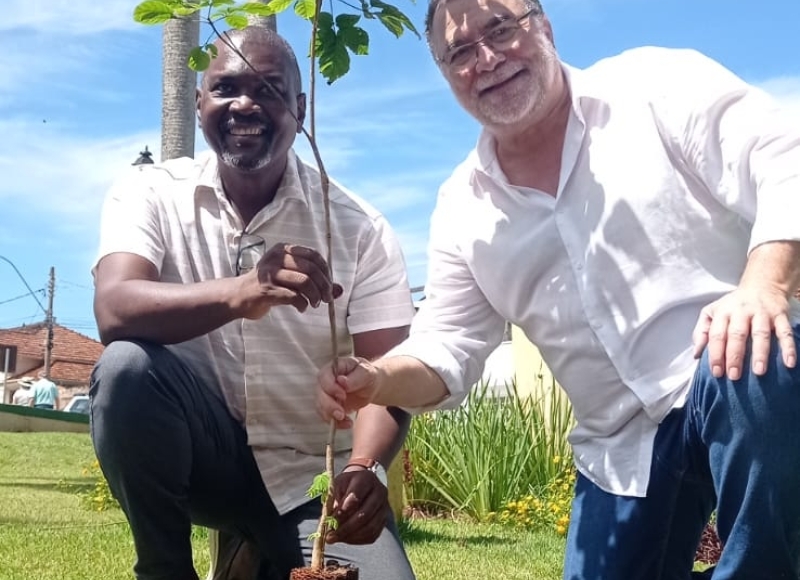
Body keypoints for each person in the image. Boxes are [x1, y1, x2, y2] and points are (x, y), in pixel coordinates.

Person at [316, 1, 800, 578]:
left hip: (720, 375)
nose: (487, 59)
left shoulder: (656, 86)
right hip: (617, 447)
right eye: (461, 52)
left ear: (543, 24)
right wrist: (377, 379)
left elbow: (783, 160)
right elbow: (447, 346)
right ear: (445, 74)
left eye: (501, 29)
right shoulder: (462, 208)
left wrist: (763, 283)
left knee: (761, 354)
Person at [90, 27, 417, 580]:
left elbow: (391, 377)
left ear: (300, 106)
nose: (246, 103)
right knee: (127, 367)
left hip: (312, 479)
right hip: (201, 461)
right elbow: (114, 308)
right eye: (226, 88)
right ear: (199, 103)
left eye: (268, 88)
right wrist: (241, 292)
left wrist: (366, 467)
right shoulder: (149, 193)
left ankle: (264, 552)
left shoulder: (359, 228)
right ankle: (165, 569)